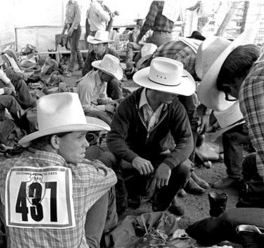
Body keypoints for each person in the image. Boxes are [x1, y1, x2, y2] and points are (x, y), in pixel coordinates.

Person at [0, 92, 117, 248]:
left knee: (6, 194)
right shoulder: (83, 176)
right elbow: (109, 176)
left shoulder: (6, 171)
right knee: (101, 192)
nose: (86, 144)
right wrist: (79, 162)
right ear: (56, 141)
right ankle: (107, 237)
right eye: (80, 137)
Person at [107, 57, 195, 216]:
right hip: (133, 153)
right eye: (171, 89)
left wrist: (168, 164)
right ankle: (120, 204)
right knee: (107, 159)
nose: (176, 94)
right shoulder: (128, 104)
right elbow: (114, 138)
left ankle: (161, 205)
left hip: (160, 154)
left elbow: (187, 140)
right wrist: (133, 157)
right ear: (156, 88)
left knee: (184, 166)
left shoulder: (175, 107)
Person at [195, 31, 262, 206]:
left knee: (238, 219)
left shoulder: (251, 85)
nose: (235, 98)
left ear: (229, 84)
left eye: (229, 95)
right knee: (249, 162)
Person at [148, 36, 210, 195]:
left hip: (185, 72)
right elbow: (173, 89)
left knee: (193, 119)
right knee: (170, 117)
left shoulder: (213, 64)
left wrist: (206, 111)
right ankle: (180, 174)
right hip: (165, 73)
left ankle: (189, 170)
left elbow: (210, 88)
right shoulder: (186, 61)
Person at [76, 54, 123, 125]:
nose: (112, 79)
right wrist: (104, 108)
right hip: (84, 112)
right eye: (110, 76)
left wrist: (111, 102)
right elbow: (84, 108)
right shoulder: (87, 85)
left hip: (95, 106)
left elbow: (102, 98)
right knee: (104, 117)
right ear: (102, 72)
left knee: (122, 101)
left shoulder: (103, 80)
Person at [82, 30, 122, 102]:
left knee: (115, 82)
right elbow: (85, 70)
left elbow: (118, 73)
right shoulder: (92, 55)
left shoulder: (113, 54)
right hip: (96, 81)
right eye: (94, 44)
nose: (95, 47)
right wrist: (94, 76)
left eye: (98, 44)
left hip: (110, 80)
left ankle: (118, 102)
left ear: (105, 46)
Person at [62, 0, 85, 77]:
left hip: (76, 29)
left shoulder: (76, 5)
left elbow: (77, 19)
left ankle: (70, 70)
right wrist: (63, 31)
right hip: (70, 28)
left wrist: (71, 30)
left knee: (73, 50)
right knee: (75, 48)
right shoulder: (67, 5)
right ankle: (83, 66)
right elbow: (66, 19)